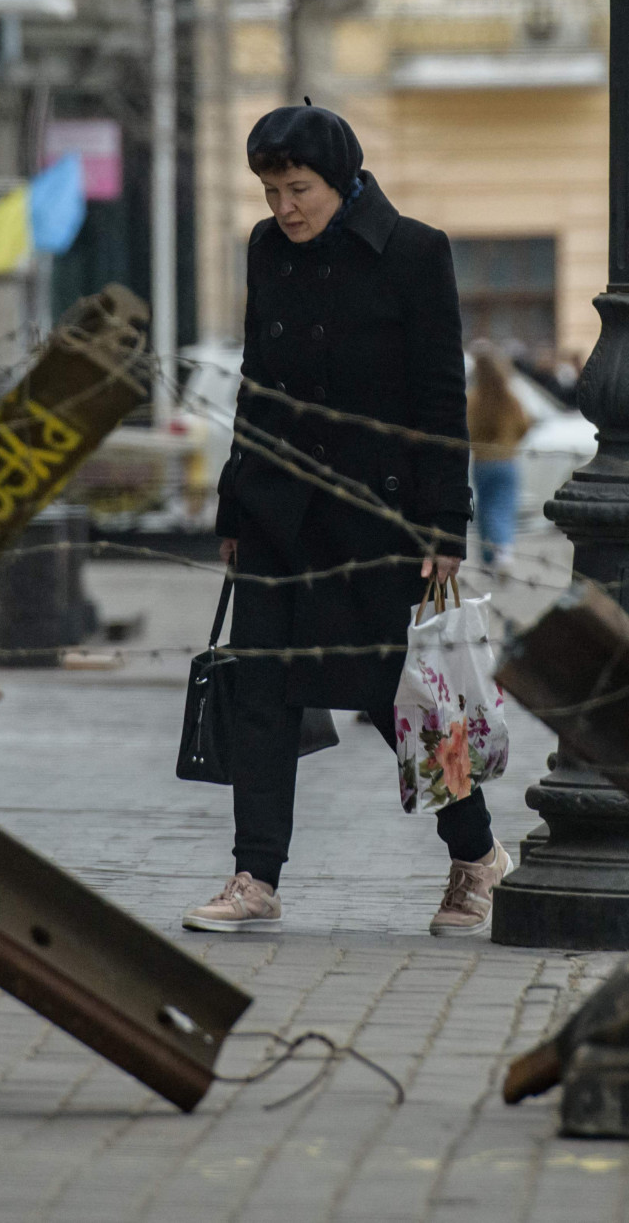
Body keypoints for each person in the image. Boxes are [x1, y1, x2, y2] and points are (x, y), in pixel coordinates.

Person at [185, 102, 509, 938]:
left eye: (299, 189)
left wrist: (444, 522)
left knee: (396, 698)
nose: (284, 208)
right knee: (260, 692)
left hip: (377, 516)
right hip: (274, 511)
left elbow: (441, 393)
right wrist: (233, 498)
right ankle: (256, 874)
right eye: (270, 191)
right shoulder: (266, 251)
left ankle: (474, 856)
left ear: (343, 180)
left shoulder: (413, 252)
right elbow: (255, 377)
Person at [467, 345, 536, 570]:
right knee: (504, 506)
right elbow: (524, 425)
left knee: (486, 509)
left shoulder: (473, 400)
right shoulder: (510, 398)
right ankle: (503, 551)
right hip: (506, 460)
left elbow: (468, 430)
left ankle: (489, 555)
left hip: (483, 461)